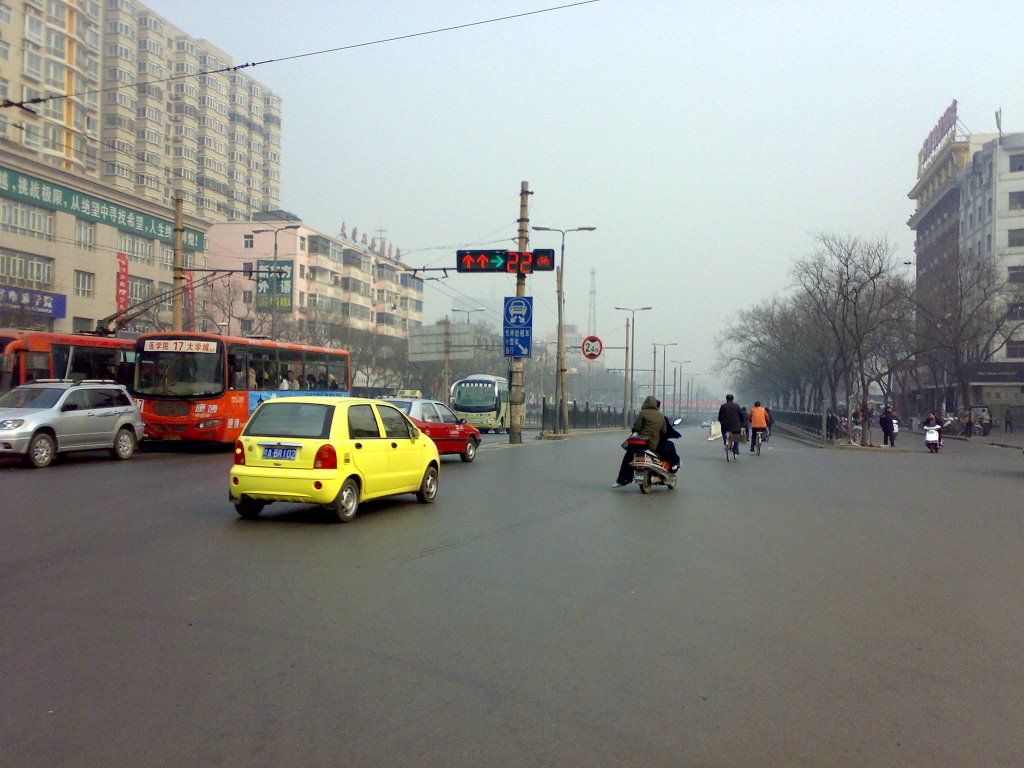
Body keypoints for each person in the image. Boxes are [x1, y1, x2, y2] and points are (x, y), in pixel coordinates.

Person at [614, 395, 666, 487]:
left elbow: (637, 428)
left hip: (641, 443)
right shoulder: (661, 416)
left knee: (628, 457)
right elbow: (664, 431)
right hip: (653, 444)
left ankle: (623, 480)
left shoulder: (643, 413)